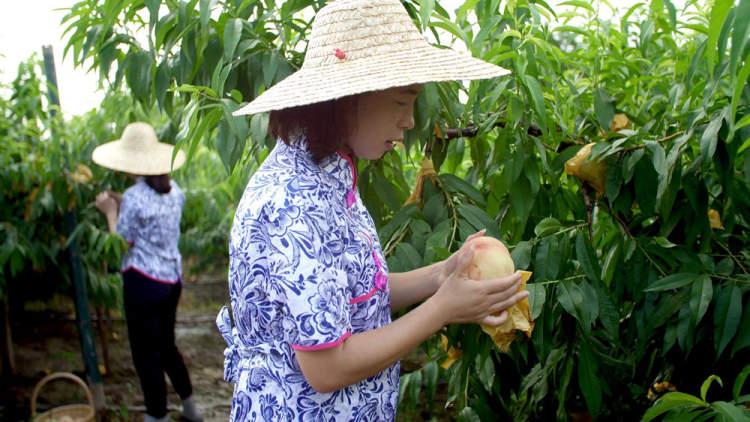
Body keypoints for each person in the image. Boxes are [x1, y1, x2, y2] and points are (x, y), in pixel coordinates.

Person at [216, 0, 528, 420]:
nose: (410, 121)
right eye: (402, 103)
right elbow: (327, 367)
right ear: (347, 99)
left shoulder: (330, 173)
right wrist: (442, 310)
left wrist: (442, 275)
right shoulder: (292, 201)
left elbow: (350, 295)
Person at [92, 122, 203, 422]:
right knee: (166, 345)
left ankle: (157, 416)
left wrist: (110, 213)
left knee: (145, 355)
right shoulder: (174, 191)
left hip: (142, 283)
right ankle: (191, 406)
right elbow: (146, 206)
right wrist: (121, 199)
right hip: (171, 281)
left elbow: (121, 243)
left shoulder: (134, 198)